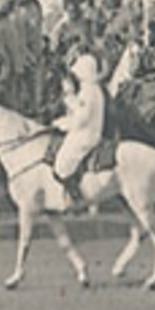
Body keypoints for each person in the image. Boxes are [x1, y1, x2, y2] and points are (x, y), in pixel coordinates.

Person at [52, 51, 106, 203]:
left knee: (61, 164)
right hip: (87, 130)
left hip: (86, 134)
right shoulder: (93, 89)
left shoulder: (89, 91)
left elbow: (82, 118)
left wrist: (62, 123)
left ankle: (75, 196)